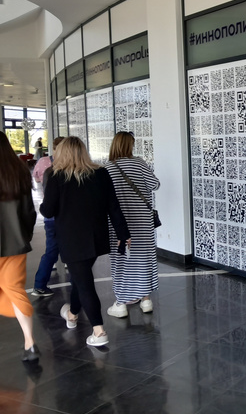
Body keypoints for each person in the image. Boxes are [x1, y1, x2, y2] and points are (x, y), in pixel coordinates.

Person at [40, 136, 131, 347]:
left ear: (62, 153)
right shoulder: (100, 173)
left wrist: (45, 203)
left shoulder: (56, 176)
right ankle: (72, 314)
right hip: (96, 237)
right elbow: (113, 206)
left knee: (84, 282)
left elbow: (48, 210)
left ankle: (99, 331)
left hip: (72, 240)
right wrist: (123, 233)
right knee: (80, 279)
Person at [104, 131, 160, 317]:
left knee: (122, 259)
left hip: (118, 221)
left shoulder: (108, 167)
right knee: (143, 258)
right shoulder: (139, 163)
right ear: (130, 145)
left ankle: (121, 303)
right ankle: (146, 300)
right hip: (142, 220)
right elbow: (155, 185)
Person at [0, 131, 40, 361]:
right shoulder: (19, 172)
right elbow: (29, 212)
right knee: (15, 290)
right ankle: (29, 342)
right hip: (15, 244)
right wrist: (24, 235)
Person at [31, 136, 65, 297]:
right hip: (65, 215)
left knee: (51, 249)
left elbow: (37, 178)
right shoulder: (68, 165)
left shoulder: (44, 162)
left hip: (50, 214)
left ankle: (40, 285)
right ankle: (40, 284)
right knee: (66, 248)